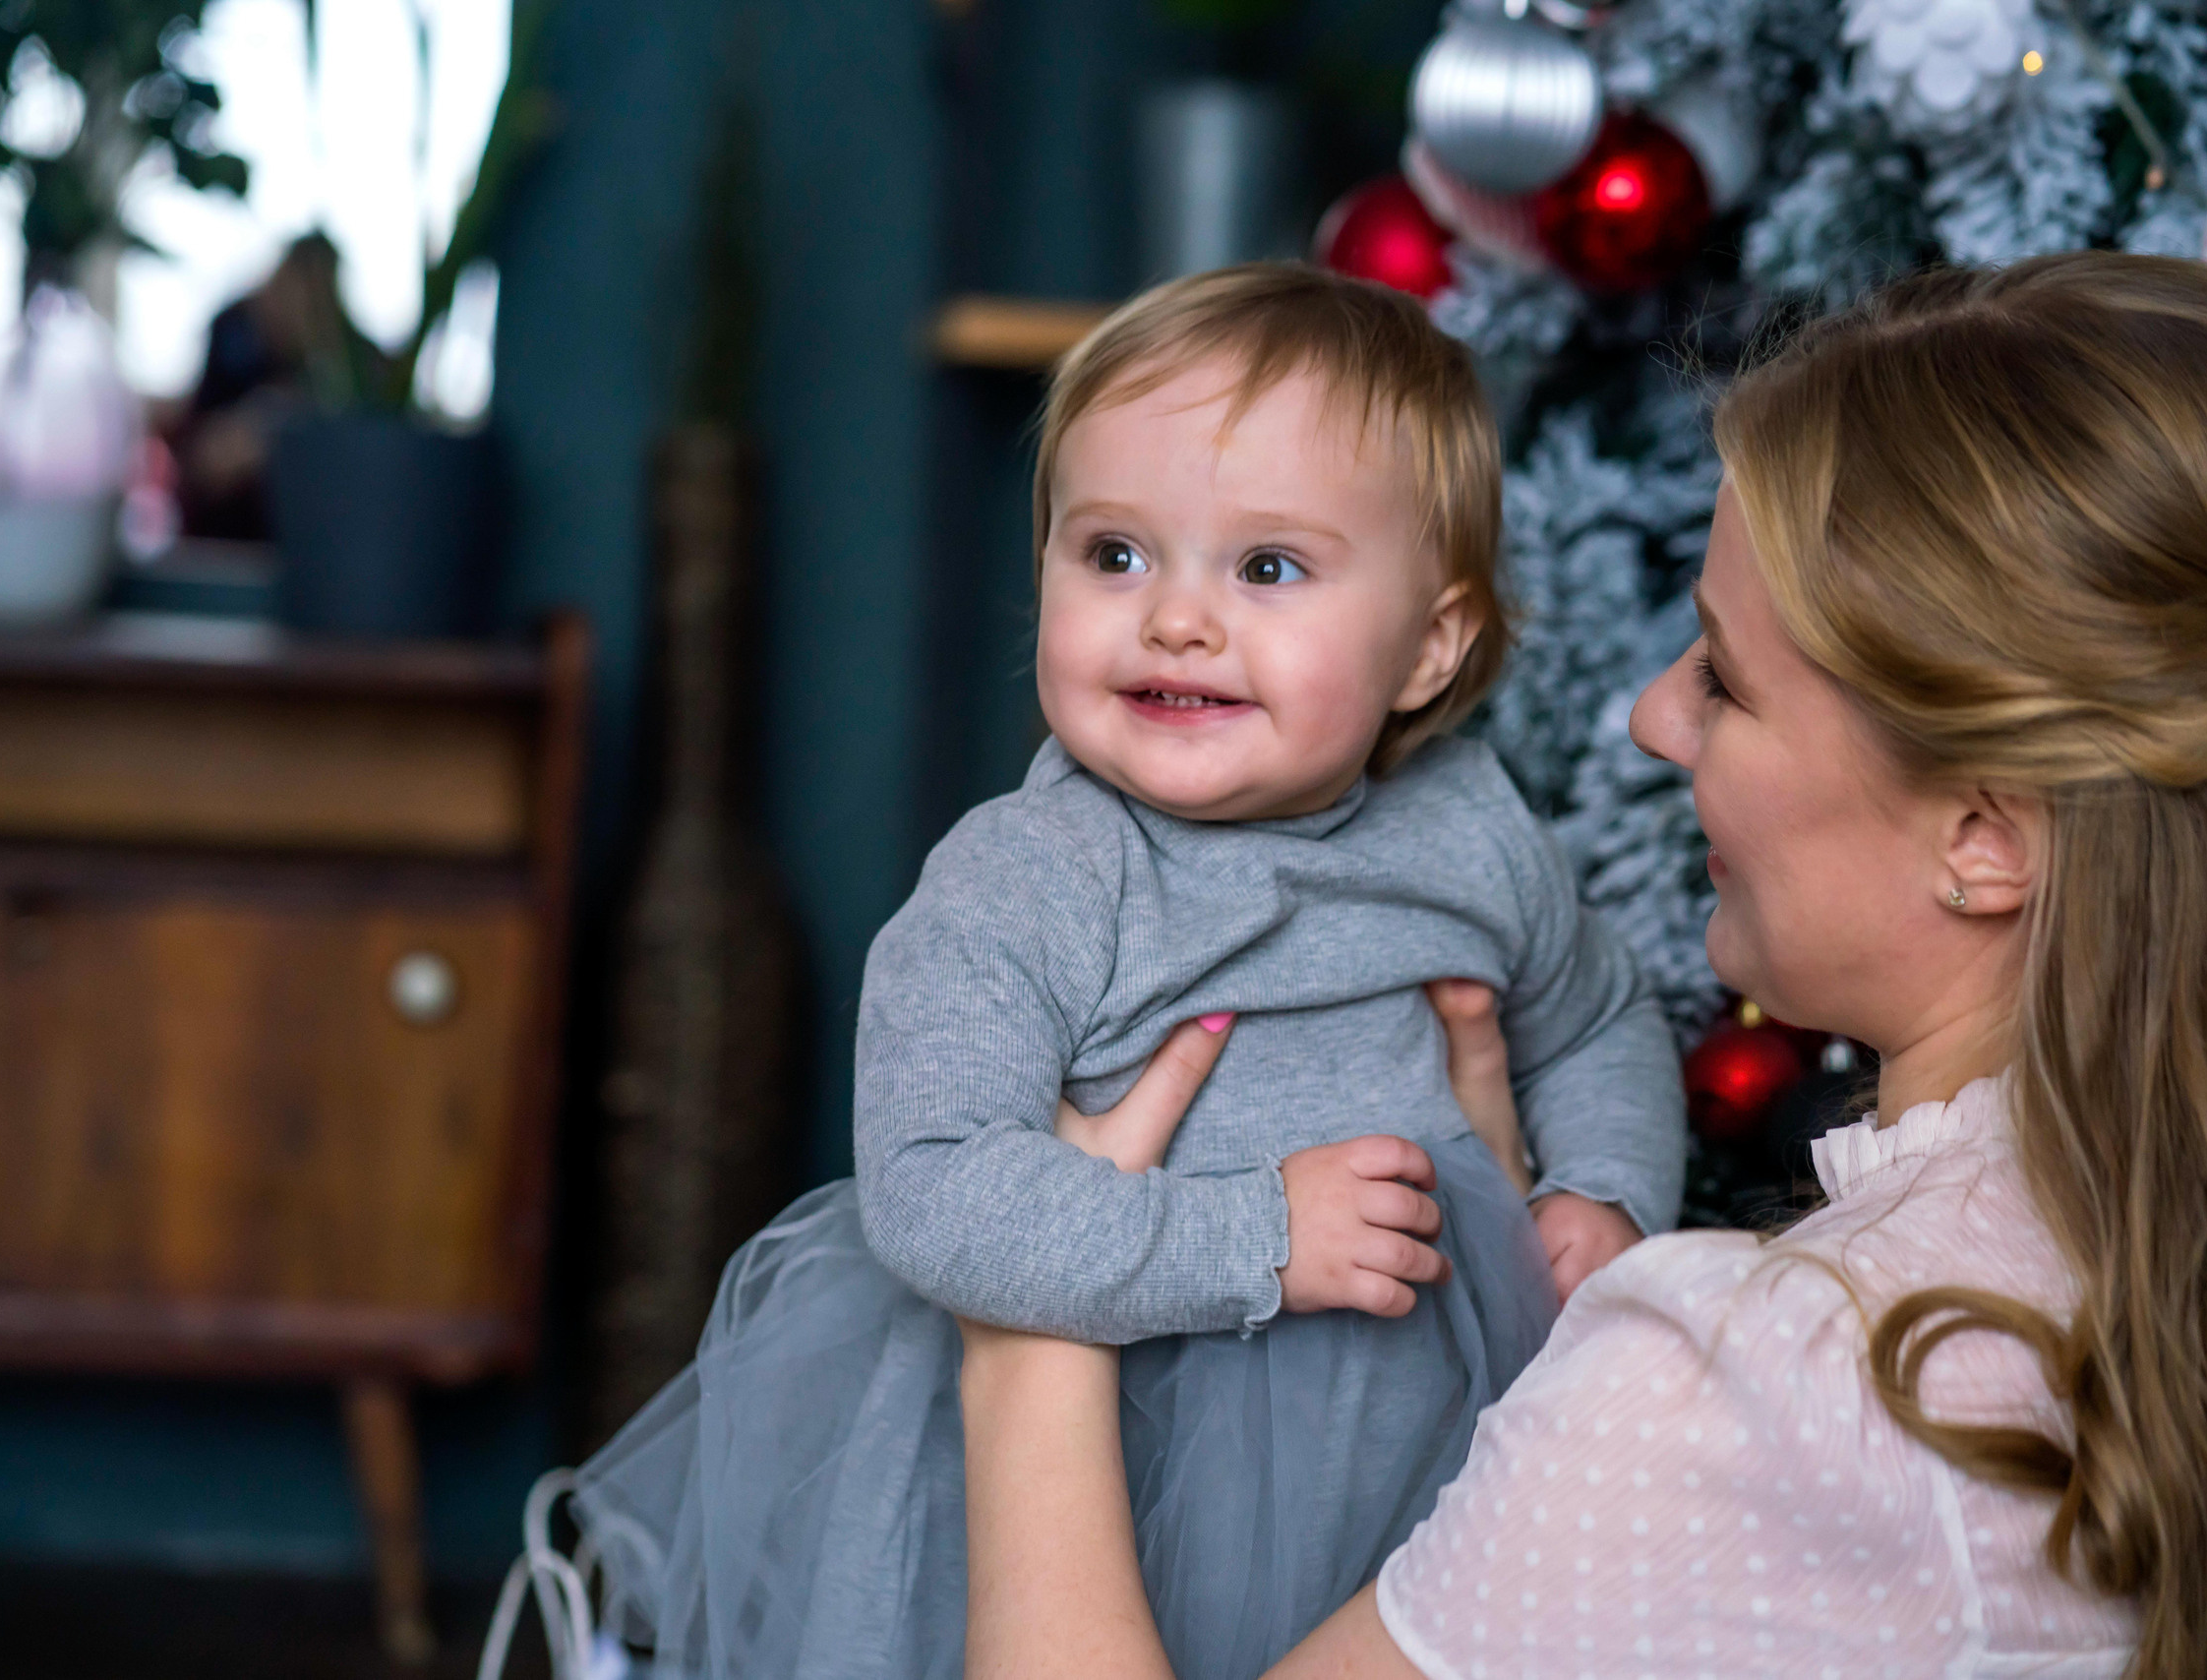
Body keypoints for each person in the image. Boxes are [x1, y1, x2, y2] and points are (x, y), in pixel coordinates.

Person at [959, 250, 2207, 1679]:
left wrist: (1032, 1334)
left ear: (1984, 836)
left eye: (1724, 679)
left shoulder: (1768, 1384)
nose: (1651, 721)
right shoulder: (2205, 1268)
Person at [574, 265, 1688, 1679]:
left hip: (1415, 1439)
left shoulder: (1473, 833)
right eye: (1114, 554)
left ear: (1430, 647)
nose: (1175, 619)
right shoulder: (1031, 875)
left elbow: (1597, 1018)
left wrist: (1603, 1186)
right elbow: (934, 1185)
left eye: (1267, 568)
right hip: (1105, 1448)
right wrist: (1255, 1238)